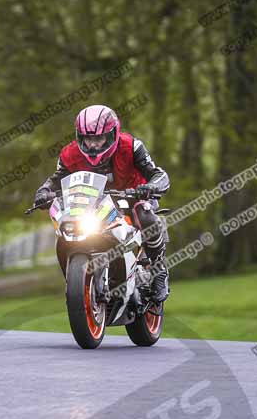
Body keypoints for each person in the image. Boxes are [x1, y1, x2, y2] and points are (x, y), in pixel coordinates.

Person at [34, 104, 171, 302]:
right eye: (88, 139)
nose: (93, 145)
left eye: (98, 138)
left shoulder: (132, 146)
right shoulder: (69, 154)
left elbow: (159, 174)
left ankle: (159, 271)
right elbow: (55, 179)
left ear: (112, 134)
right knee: (68, 222)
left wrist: (149, 187)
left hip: (133, 198)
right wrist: (44, 192)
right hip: (93, 204)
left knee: (144, 213)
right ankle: (80, 283)